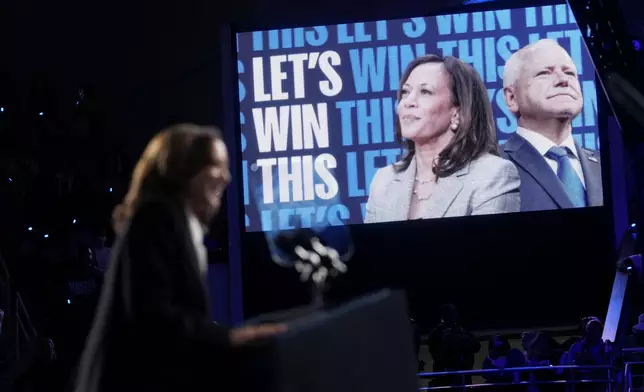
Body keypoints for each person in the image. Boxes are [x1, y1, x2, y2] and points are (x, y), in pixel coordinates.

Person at [74, 124, 286, 392]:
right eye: (216, 165)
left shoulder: (177, 224)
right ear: (184, 171)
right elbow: (154, 319)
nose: (227, 177)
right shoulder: (156, 218)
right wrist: (232, 339)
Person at [364, 54, 520, 223]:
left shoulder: (493, 175)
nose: (408, 102)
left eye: (425, 92)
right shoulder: (384, 181)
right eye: (405, 92)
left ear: (457, 112)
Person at [501, 39, 603, 212]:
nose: (563, 80)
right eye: (544, 73)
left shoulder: (607, 165)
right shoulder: (492, 165)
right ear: (512, 98)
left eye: (570, 73)